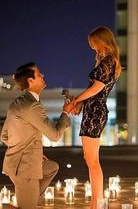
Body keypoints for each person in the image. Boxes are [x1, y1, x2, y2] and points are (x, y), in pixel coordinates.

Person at [1, 62, 72, 209]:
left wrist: (32, 152)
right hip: (25, 169)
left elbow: (5, 136)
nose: (43, 76)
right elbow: (55, 135)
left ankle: (29, 198)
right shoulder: (32, 106)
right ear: (30, 80)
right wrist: (65, 112)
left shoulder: (19, 102)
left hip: (16, 164)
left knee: (51, 167)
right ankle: (27, 200)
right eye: (39, 74)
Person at [70, 26, 122, 209]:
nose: (92, 48)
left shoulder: (108, 61)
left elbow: (96, 88)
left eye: (94, 44)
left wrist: (76, 100)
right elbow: (94, 90)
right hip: (93, 110)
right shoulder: (106, 61)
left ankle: (97, 204)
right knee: (90, 159)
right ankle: (96, 202)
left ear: (102, 42)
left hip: (95, 112)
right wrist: (80, 104)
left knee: (92, 161)